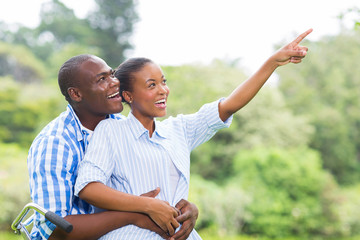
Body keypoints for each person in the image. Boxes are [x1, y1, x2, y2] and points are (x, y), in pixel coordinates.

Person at [74, 28, 313, 240]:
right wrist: (147, 206)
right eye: (151, 85)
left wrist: (272, 62)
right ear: (128, 96)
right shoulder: (112, 130)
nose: (163, 90)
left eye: (163, 82)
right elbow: (89, 187)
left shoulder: (179, 130)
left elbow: (229, 105)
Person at [27, 54, 199, 240]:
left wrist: (181, 210)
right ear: (76, 94)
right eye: (102, 79)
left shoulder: (119, 126)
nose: (115, 83)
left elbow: (147, 195)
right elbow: (54, 232)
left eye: (112, 74)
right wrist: (134, 215)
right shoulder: (56, 144)